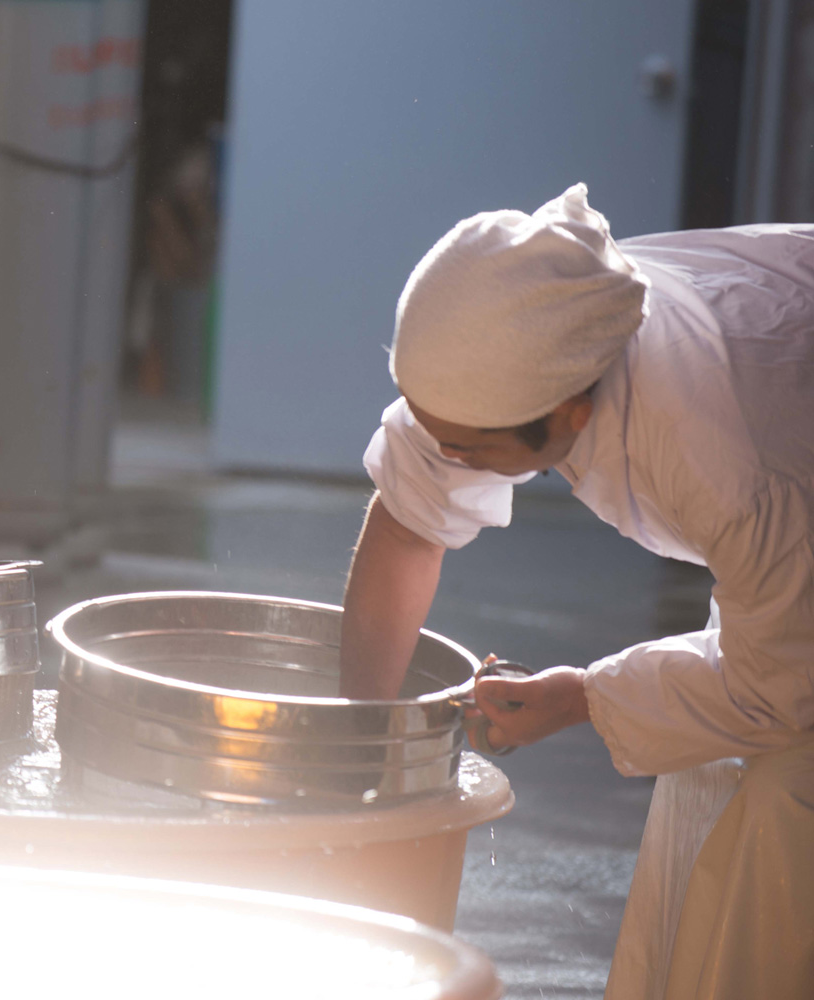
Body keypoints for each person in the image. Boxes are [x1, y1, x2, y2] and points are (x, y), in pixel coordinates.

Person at [338, 184, 812, 999]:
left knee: (782, 803)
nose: (443, 460)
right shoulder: (529, 331)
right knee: (708, 764)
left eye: (467, 452)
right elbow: (409, 521)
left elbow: (782, 692)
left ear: (567, 415)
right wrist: (356, 749)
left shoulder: (723, 459)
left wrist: (584, 697)